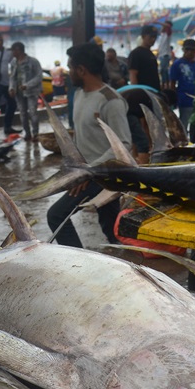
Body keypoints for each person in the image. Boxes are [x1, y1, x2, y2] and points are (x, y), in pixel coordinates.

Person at [46, 42, 132, 249]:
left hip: (102, 175)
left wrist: (90, 171)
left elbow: (124, 144)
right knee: (112, 227)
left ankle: (79, 262)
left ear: (81, 70)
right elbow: (80, 136)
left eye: (70, 68)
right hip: (84, 172)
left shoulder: (111, 101)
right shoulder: (79, 94)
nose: (68, 73)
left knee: (56, 215)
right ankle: (128, 258)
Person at [9, 41, 43, 142]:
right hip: (19, 93)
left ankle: (35, 133)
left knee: (33, 113)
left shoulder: (33, 62)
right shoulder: (13, 62)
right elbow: (12, 77)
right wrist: (11, 88)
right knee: (23, 114)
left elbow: (39, 76)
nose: (12, 53)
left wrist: (27, 85)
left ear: (18, 50)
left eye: (13, 50)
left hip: (31, 92)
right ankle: (27, 133)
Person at [168, 38, 195, 126]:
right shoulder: (176, 64)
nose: (190, 52)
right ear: (183, 49)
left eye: (192, 50)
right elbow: (172, 82)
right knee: (184, 123)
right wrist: (174, 99)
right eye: (187, 49)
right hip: (184, 99)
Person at [128, 24, 162, 92]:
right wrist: (136, 93)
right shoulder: (135, 53)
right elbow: (133, 75)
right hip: (144, 92)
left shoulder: (151, 54)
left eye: (155, 37)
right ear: (143, 36)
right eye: (151, 37)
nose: (153, 39)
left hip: (154, 91)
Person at [157, 20, 174, 85]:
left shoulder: (168, 34)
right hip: (161, 55)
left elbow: (168, 26)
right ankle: (165, 84)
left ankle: (165, 84)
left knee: (163, 70)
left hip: (165, 55)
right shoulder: (162, 35)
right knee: (164, 71)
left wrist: (158, 22)